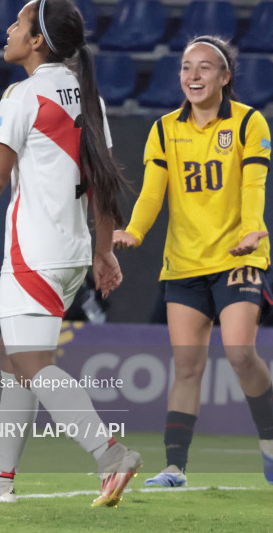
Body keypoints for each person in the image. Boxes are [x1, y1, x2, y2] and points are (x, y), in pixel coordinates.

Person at [0, 0, 141, 507]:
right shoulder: (88, 98)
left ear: (36, 41)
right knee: (17, 362)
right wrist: (103, 252)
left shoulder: (23, 95)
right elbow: (101, 183)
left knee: (31, 363)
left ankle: (110, 454)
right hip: (71, 253)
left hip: (35, 251)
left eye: (17, 22)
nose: (7, 29)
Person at [114, 35, 273, 487]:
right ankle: (174, 469)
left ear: (225, 77)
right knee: (186, 367)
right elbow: (152, 191)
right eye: (186, 67)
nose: (194, 75)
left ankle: (271, 439)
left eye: (205, 67)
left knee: (241, 352)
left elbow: (254, 185)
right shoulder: (165, 128)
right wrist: (135, 230)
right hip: (183, 264)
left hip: (240, 255)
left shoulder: (249, 123)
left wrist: (250, 230)